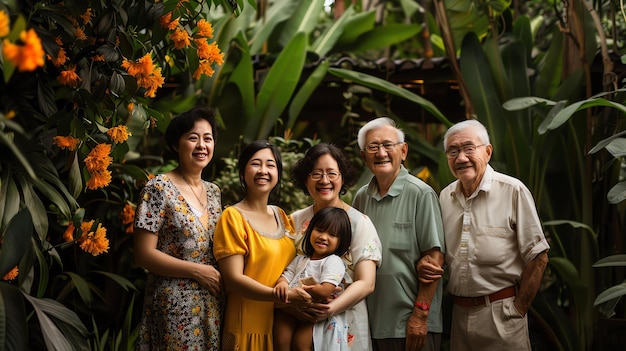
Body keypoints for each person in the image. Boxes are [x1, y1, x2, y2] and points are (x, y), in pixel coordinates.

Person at [419, 119, 550, 350]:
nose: (461, 158)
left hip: (502, 314)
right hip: (459, 315)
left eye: (469, 148)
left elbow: (538, 257)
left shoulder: (512, 190)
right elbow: (439, 252)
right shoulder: (444, 197)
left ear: (487, 152)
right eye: (453, 151)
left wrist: (518, 309)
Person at [133, 106, 224, 350]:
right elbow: (143, 254)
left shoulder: (214, 192)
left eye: (208, 138)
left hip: (213, 305)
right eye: (193, 138)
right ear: (176, 144)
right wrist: (196, 271)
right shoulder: (158, 188)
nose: (202, 145)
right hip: (174, 306)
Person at [352, 117, 445, 351]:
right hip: (368, 322)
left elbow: (434, 259)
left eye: (387, 145)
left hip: (410, 325)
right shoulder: (361, 198)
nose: (381, 152)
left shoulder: (421, 194)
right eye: (373, 147)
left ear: (403, 151)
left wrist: (420, 315)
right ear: (364, 156)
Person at [213, 140, 309, 351]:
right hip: (247, 328)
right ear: (243, 170)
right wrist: (286, 297)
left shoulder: (282, 216)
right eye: (256, 163)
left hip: (281, 327)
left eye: (270, 165)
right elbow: (234, 281)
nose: (263, 170)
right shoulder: (232, 217)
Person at [289, 142, 382, 351]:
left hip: (344, 320)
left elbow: (366, 283)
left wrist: (329, 309)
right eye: (316, 174)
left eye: (332, 173)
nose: (324, 181)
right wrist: (291, 305)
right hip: (296, 322)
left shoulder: (359, 223)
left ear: (342, 178)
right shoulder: (293, 221)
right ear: (305, 178)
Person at [274, 206, 353, 351]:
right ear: (310, 230)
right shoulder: (300, 259)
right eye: (320, 230)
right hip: (290, 310)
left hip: (314, 315)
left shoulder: (333, 261)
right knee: (281, 339)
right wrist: (282, 284)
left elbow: (325, 290)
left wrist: (298, 291)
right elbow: (286, 275)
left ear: (341, 241)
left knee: (301, 344)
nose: (323, 236)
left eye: (332, 234)